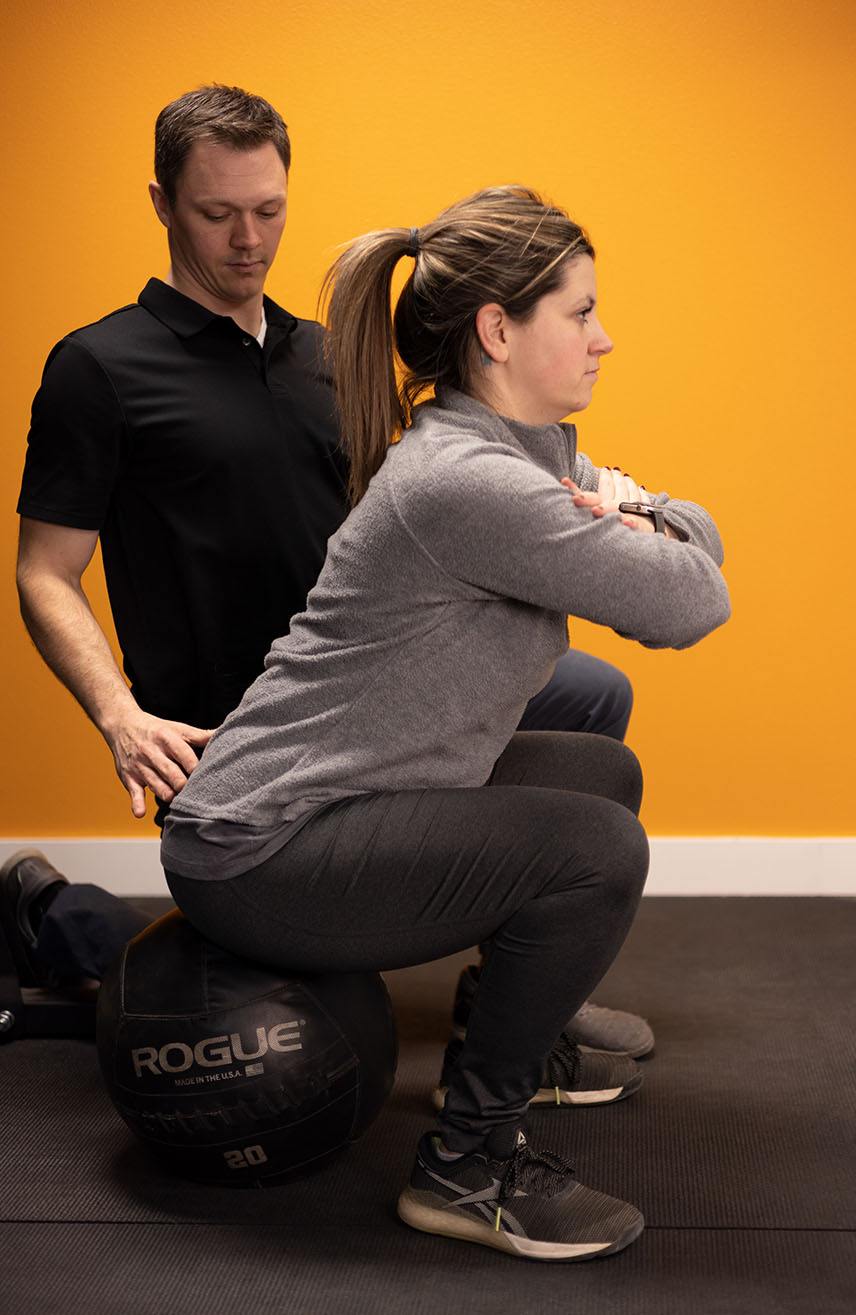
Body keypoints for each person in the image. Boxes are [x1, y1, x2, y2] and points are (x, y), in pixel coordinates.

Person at [2, 85, 650, 1059]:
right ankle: (58, 912)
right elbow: (45, 572)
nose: (248, 239)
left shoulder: (328, 355)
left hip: (367, 688)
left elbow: (417, 515)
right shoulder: (99, 368)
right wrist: (120, 716)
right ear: (162, 203)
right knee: (274, 988)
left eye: (269, 210)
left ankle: (512, 981)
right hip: (242, 729)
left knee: (590, 695)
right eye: (218, 213)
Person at [158, 186, 730, 1259]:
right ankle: (469, 1165)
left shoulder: (523, 452)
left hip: (343, 804)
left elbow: (690, 541)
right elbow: (695, 597)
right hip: (260, 847)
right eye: (581, 312)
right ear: (498, 330)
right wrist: (643, 511)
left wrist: (642, 510)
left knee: (597, 777)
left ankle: (511, 1035)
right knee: (596, 847)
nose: (604, 338)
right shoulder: (472, 482)